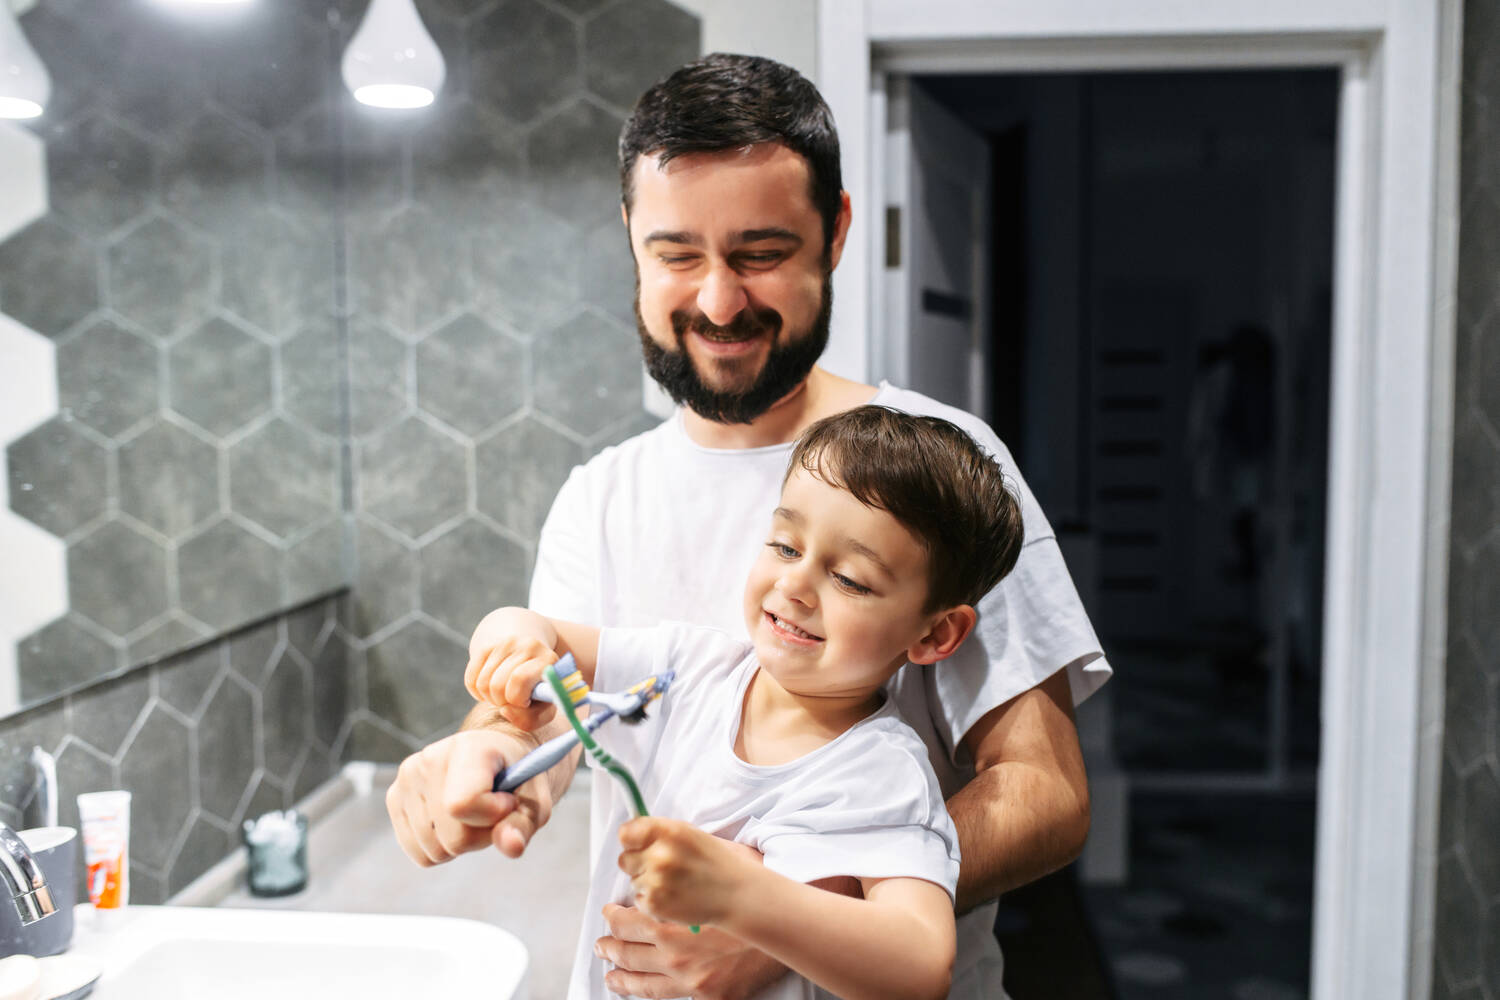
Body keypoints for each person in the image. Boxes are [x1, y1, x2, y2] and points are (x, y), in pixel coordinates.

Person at [386, 53, 1111, 999]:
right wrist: (480, 753)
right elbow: (553, 701)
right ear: (632, 240)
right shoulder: (601, 495)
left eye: (761, 254)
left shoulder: (937, 465)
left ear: (836, 232)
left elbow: (1046, 793)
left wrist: (781, 918)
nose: (719, 301)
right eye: (677, 254)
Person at [465, 406, 1025, 1000]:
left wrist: (744, 898)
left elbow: (921, 965)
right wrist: (511, 644)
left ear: (935, 635)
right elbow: (538, 631)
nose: (794, 585)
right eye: (785, 546)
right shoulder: (689, 667)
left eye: (851, 580)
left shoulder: (881, 772)